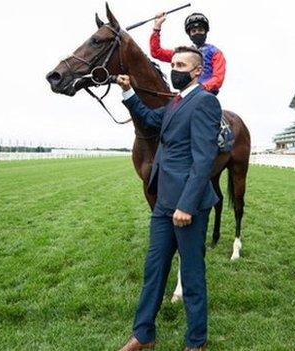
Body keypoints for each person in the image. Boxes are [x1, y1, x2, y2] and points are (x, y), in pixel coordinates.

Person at [117, 46, 221, 351]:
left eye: (181, 64)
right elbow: (149, 119)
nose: (174, 68)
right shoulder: (175, 102)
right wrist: (128, 91)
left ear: (197, 71)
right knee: (154, 270)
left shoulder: (205, 103)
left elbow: (204, 160)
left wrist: (186, 206)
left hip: (188, 206)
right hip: (163, 202)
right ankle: (143, 335)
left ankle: (196, 342)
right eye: (173, 63)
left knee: (191, 275)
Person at [150, 12, 226, 95]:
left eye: (200, 30)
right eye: (194, 31)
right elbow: (156, 52)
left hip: (205, 94)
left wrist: (199, 88)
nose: (197, 33)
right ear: (189, 34)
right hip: (185, 94)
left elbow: (218, 79)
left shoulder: (216, 52)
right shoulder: (184, 53)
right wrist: (157, 27)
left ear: (205, 32)